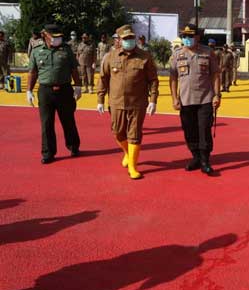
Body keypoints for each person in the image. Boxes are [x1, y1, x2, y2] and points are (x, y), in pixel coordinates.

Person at [96, 25, 159, 180]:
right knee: (118, 132)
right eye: (125, 39)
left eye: (131, 38)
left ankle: (132, 166)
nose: (129, 41)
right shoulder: (110, 57)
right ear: (119, 40)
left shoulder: (145, 56)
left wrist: (153, 100)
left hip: (137, 103)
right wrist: (100, 100)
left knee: (134, 135)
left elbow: (153, 80)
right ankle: (127, 153)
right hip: (116, 102)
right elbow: (103, 79)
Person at [169, 24, 221, 175]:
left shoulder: (208, 52)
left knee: (204, 129)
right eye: (185, 36)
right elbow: (173, 78)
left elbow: (215, 75)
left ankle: (205, 160)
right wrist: (174, 98)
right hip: (185, 100)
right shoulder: (176, 54)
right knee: (189, 130)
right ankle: (196, 157)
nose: (187, 39)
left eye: (190, 36)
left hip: (205, 98)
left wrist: (217, 95)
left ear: (197, 37)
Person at [27, 24, 82, 164]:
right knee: (46, 123)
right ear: (45, 35)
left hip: (64, 90)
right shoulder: (36, 51)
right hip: (45, 91)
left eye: (59, 37)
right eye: (54, 37)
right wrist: (29, 90)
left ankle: (73, 146)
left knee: (68, 120)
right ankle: (48, 153)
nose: (58, 39)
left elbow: (74, 69)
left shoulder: (66, 50)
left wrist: (78, 86)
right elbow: (32, 72)